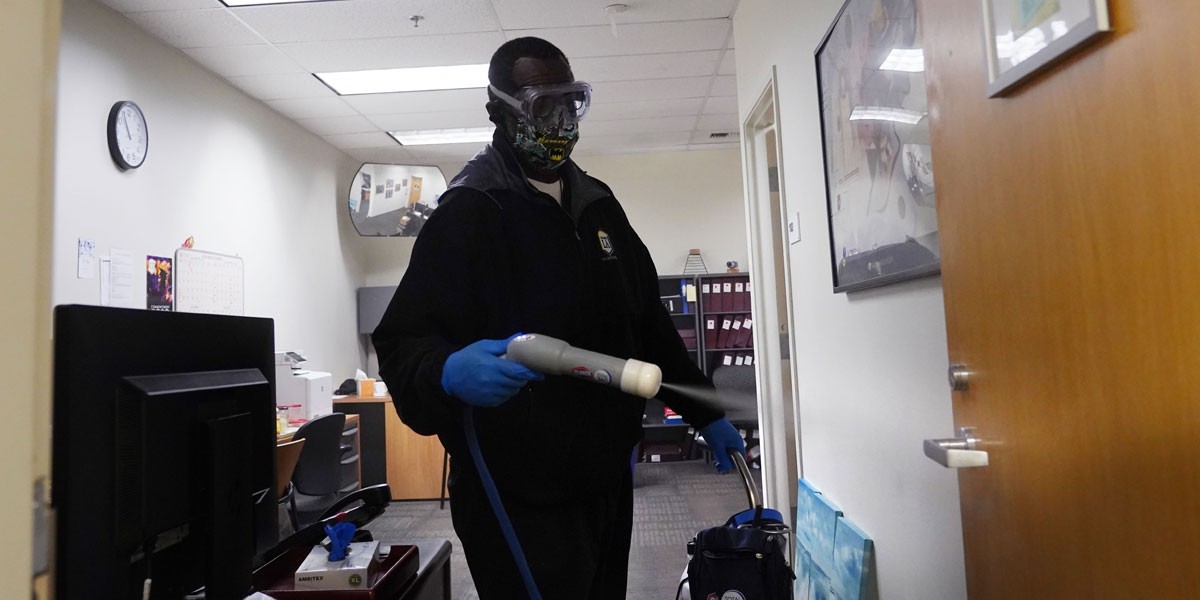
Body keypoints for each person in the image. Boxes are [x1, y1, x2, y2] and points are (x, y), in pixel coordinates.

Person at [372, 37, 746, 599]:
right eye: (542, 105)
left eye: (570, 103)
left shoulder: (596, 203)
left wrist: (703, 408)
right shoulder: (471, 211)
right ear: (499, 110)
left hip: (605, 478)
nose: (561, 121)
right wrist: (446, 370)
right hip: (516, 489)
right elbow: (404, 340)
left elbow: (645, 322)